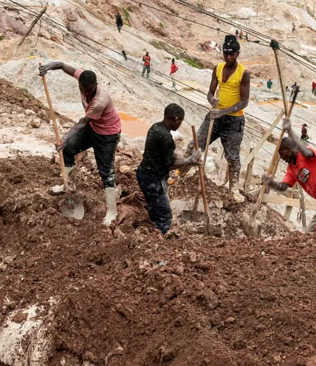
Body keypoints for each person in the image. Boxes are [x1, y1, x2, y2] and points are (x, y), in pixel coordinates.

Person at [38, 61, 122, 225]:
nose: (86, 94)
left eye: (89, 91)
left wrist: (65, 137)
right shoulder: (82, 78)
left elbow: (83, 122)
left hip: (107, 135)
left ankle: (112, 211)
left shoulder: (99, 100)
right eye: (83, 91)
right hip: (93, 127)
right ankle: (69, 186)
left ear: (95, 85)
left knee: (106, 172)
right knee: (68, 149)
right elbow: (62, 65)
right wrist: (48, 67)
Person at [137, 104, 201, 235]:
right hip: (153, 180)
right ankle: (159, 239)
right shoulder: (165, 137)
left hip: (144, 174)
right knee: (165, 216)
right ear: (175, 119)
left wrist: (187, 160)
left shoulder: (155, 127)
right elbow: (169, 164)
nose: (180, 124)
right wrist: (190, 160)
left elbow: (166, 155)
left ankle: (152, 224)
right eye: (180, 122)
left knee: (155, 207)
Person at [196, 35, 250, 188]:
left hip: (234, 121)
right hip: (215, 117)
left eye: (231, 54)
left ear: (237, 54)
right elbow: (210, 92)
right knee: (196, 145)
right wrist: (211, 100)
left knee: (232, 157)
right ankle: (180, 174)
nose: (228, 57)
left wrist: (224, 112)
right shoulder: (218, 68)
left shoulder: (243, 73)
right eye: (225, 54)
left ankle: (234, 188)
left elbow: (244, 102)